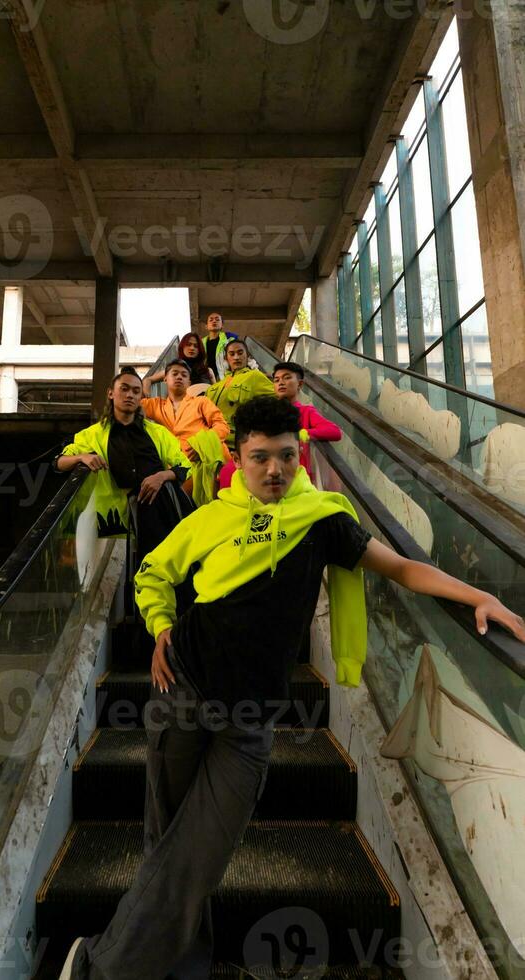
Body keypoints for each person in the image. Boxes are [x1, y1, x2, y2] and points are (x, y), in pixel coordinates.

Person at [57, 396, 525, 980]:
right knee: (169, 844)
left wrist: (478, 594)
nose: (274, 470)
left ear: (298, 453)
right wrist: (159, 629)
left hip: (250, 723)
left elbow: (402, 566)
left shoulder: (324, 517)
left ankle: (97, 967)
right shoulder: (210, 518)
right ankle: (182, 965)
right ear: (238, 457)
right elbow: (154, 572)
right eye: (260, 458)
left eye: (284, 456)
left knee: (199, 853)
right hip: (183, 691)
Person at [55, 367, 192, 558]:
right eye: (124, 389)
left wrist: (161, 476)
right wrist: (81, 457)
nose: (130, 395)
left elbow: (185, 466)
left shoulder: (157, 432)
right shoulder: (92, 434)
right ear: (111, 393)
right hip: (113, 523)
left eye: (136, 391)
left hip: (158, 516)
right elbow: (59, 463)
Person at [218, 359, 342, 488]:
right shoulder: (268, 411)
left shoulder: (306, 412)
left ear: (300, 384)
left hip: (295, 473)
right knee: (228, 471)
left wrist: (302, 434)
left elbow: (334, 431)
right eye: (276, 380)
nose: (281, 383)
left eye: (286, 378)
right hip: (267, 466)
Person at [142, 359, 230, 505]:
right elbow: (129, 407)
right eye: (174, 373)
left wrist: (201, 445)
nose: (179, 377)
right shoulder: (157, 405)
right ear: (165, 379)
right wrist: (148, 381)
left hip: (206, 463)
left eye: (184, 375)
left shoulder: (201, 402)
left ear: (189, 382)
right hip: (179, 468)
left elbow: (222, 426)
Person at [205, 338, 275, 449]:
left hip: (238, 444)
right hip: (214, 443)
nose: (236, 357)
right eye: (231, 354)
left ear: (247, 356)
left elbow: (280, 399)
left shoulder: (255, 376)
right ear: (226, 358)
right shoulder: (215, 387)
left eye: (240, 353)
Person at [203, 311, 237, 381]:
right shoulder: (201, 342)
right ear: (206, 326)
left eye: (217, 319)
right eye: (211, 320)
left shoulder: (229, 338)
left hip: (226, 378)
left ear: (222, 325)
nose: (214, 321)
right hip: (208, 379)